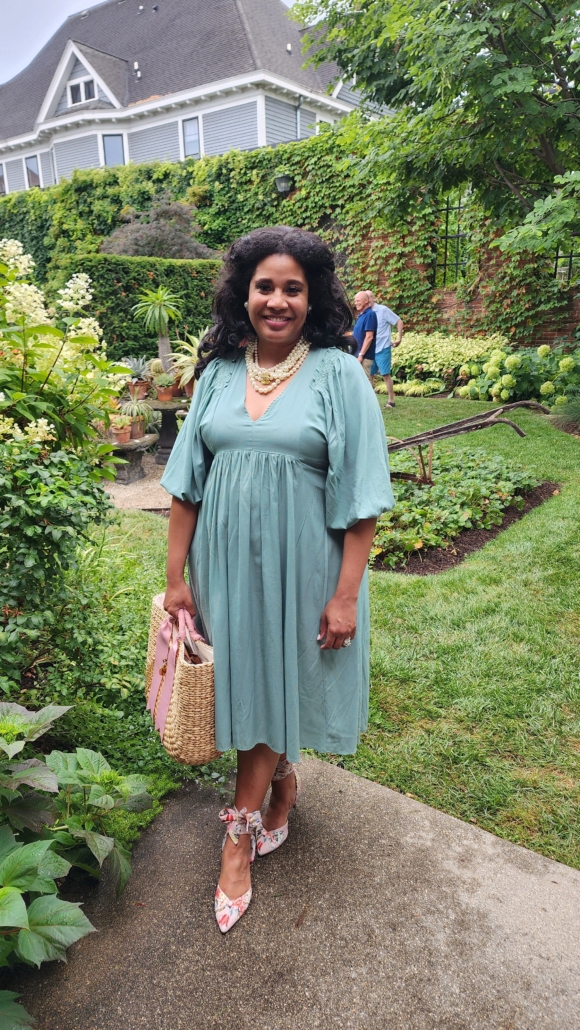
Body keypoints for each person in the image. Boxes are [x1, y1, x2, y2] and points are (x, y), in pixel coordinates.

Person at [160, 226, 394, 933]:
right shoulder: (218, 374)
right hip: (225, 566)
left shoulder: (338, 374)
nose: (278, 300)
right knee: (244, 683)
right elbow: (185, 484)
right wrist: (175, 579)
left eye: (294, 288)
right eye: (265, 286)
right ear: (245, 293)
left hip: (305, 568)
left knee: (270, 682)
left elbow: (362, 497)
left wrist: (345, 596)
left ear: (313, 297)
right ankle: (282, 781)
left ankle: (238, 835)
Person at [367, 291, 403, 409]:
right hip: (370, 349)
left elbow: (399, 321)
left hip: (383, 347)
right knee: (369, 375)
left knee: (385, 375)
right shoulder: (366, 313)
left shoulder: (383, 310)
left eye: (369, 297)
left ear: (373, 298)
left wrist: (399, 338)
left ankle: (391, 401)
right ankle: (370, 402)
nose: (368, 300)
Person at [352, 290, 378, 382]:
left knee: (364, 383)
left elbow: (369, 337)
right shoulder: (361, 315)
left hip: (364, 357)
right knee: (357, 382)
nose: (356, 303)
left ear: (366, 300)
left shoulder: (370, 314)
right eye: (355, 301)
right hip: (357, 355)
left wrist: (361, 355)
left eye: (358, 301)